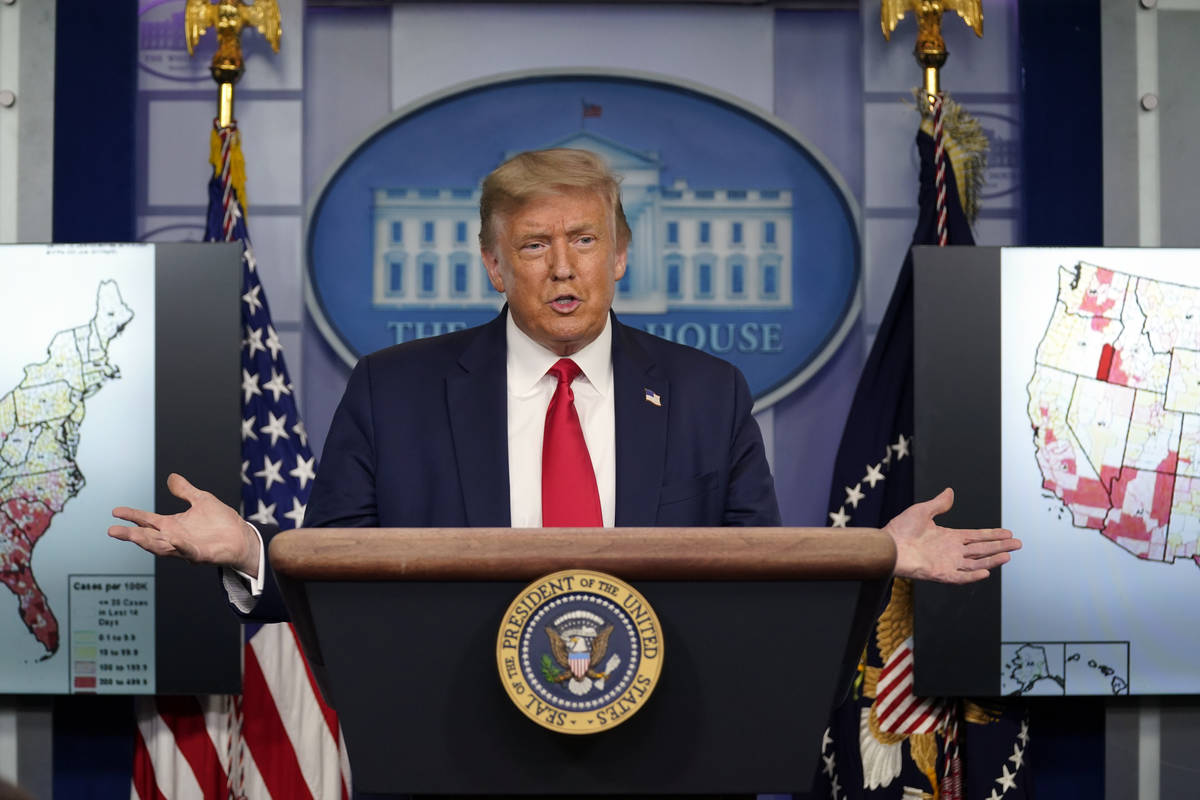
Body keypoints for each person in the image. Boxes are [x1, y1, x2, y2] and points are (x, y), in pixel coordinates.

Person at [109, 148, 1019, 619]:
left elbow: (758, 576)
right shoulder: (396, 391)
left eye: (584, 241)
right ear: (493, 265)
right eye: (534, 246)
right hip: (452, 748)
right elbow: (340, 578)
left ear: (621, 254)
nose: (563, 268)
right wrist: (247, 551)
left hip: (669, 748)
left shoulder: (708, 392)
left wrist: (879, 556)